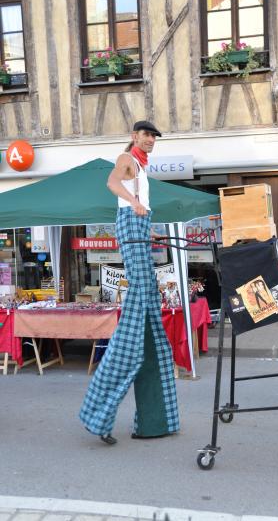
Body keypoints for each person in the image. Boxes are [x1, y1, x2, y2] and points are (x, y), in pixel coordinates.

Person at [79, 120, 179, 444]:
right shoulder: (127, 159)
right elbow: (112, 184)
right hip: (130, 228)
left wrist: (149, 228)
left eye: (154, 136)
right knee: (140, 298)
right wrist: (135, 203)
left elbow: (133, 209)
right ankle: (100, 415)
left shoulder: (142, 168)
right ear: (135, 136)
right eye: (146, 134)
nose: (151, 139)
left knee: (147, 292)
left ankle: (156, 418)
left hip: (137, 229)